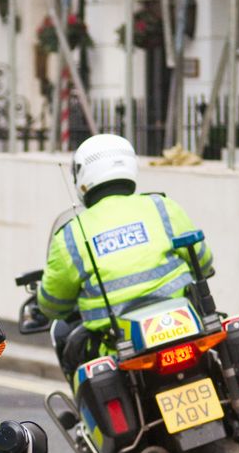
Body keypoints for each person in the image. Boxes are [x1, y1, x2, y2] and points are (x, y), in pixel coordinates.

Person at [33, 132, 213, 374]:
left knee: (78, 360)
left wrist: (41, 304)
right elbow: (203, 261)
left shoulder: (71, 235)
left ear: (82, 176)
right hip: (184, 327)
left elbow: (54, 304)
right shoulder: (162, 206)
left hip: (117, 346)